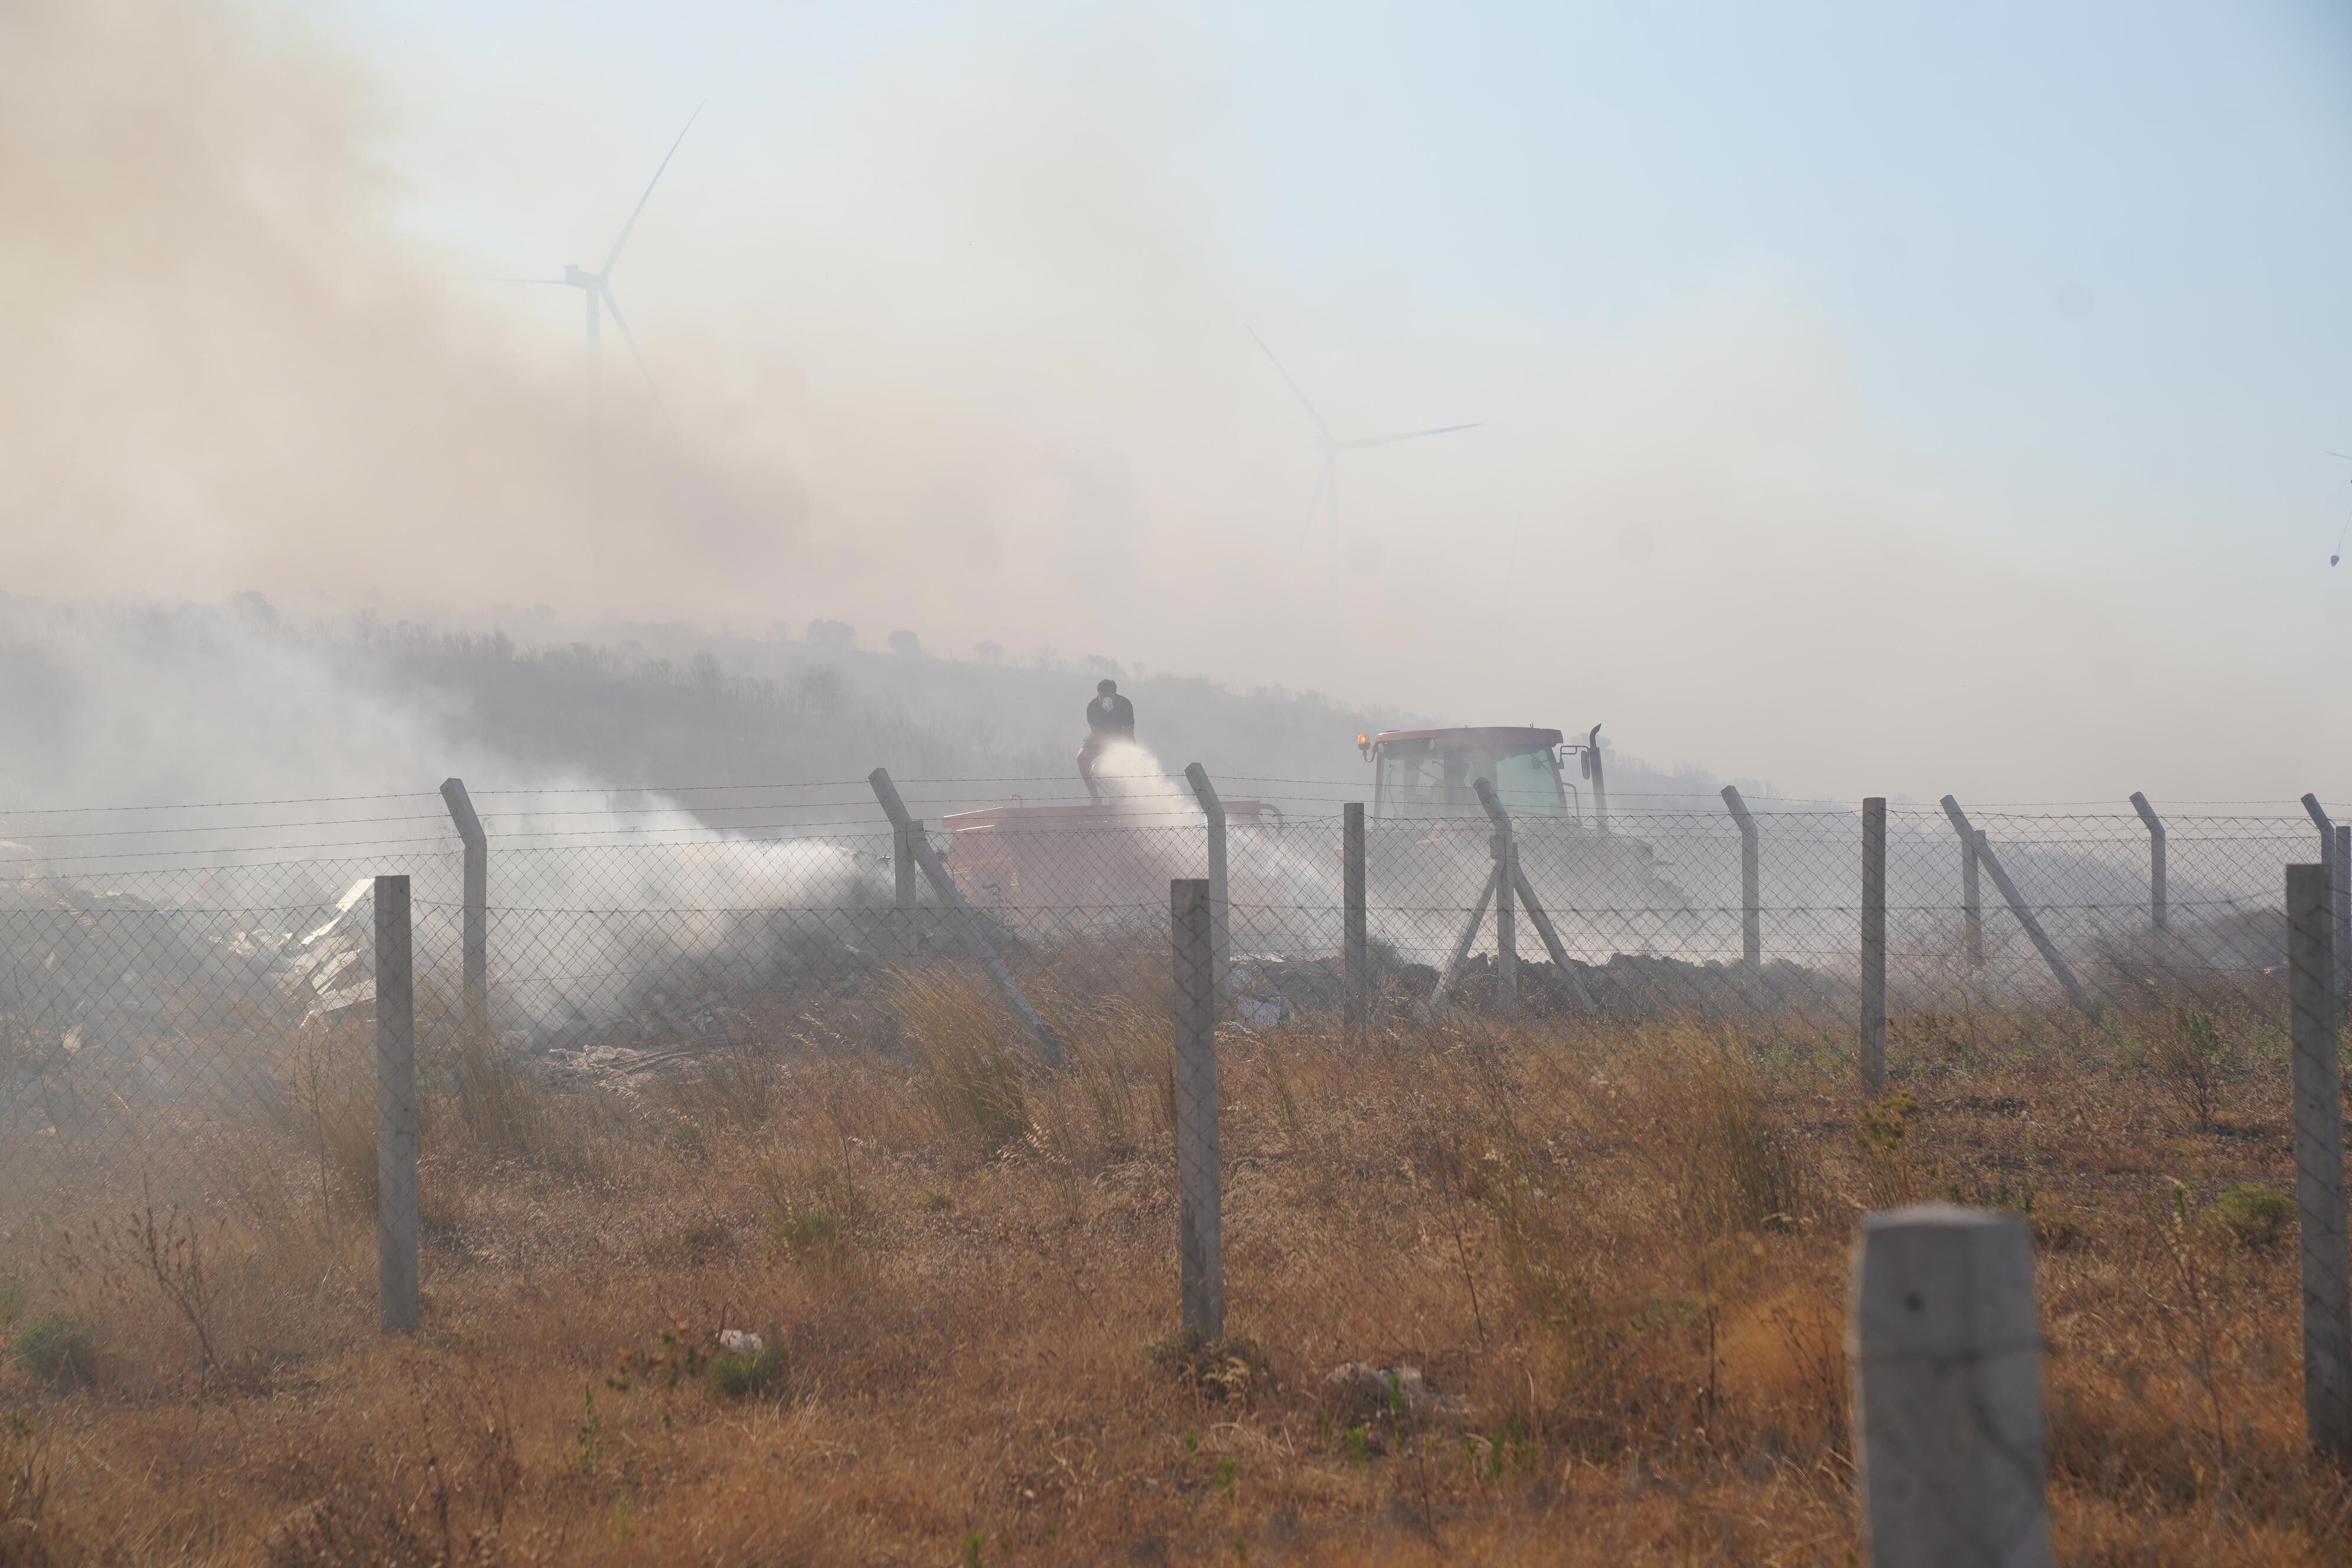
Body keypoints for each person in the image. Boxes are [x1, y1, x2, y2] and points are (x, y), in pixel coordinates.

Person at [1077, 678, 1136, 803]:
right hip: (1100, 736)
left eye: (1109, 697)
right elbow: (1096, 734)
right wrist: (1105, 752)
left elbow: (1127, 734)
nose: (1105, 700)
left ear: (1115, 694)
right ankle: (1095, 797)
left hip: (1122, 737)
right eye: (1102, 696)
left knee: (1127, 760)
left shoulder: (1124, 705)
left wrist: (1117, 753)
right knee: (1082, 758)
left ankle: (1120, 795)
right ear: (1098, 695)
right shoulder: (1093, 707)